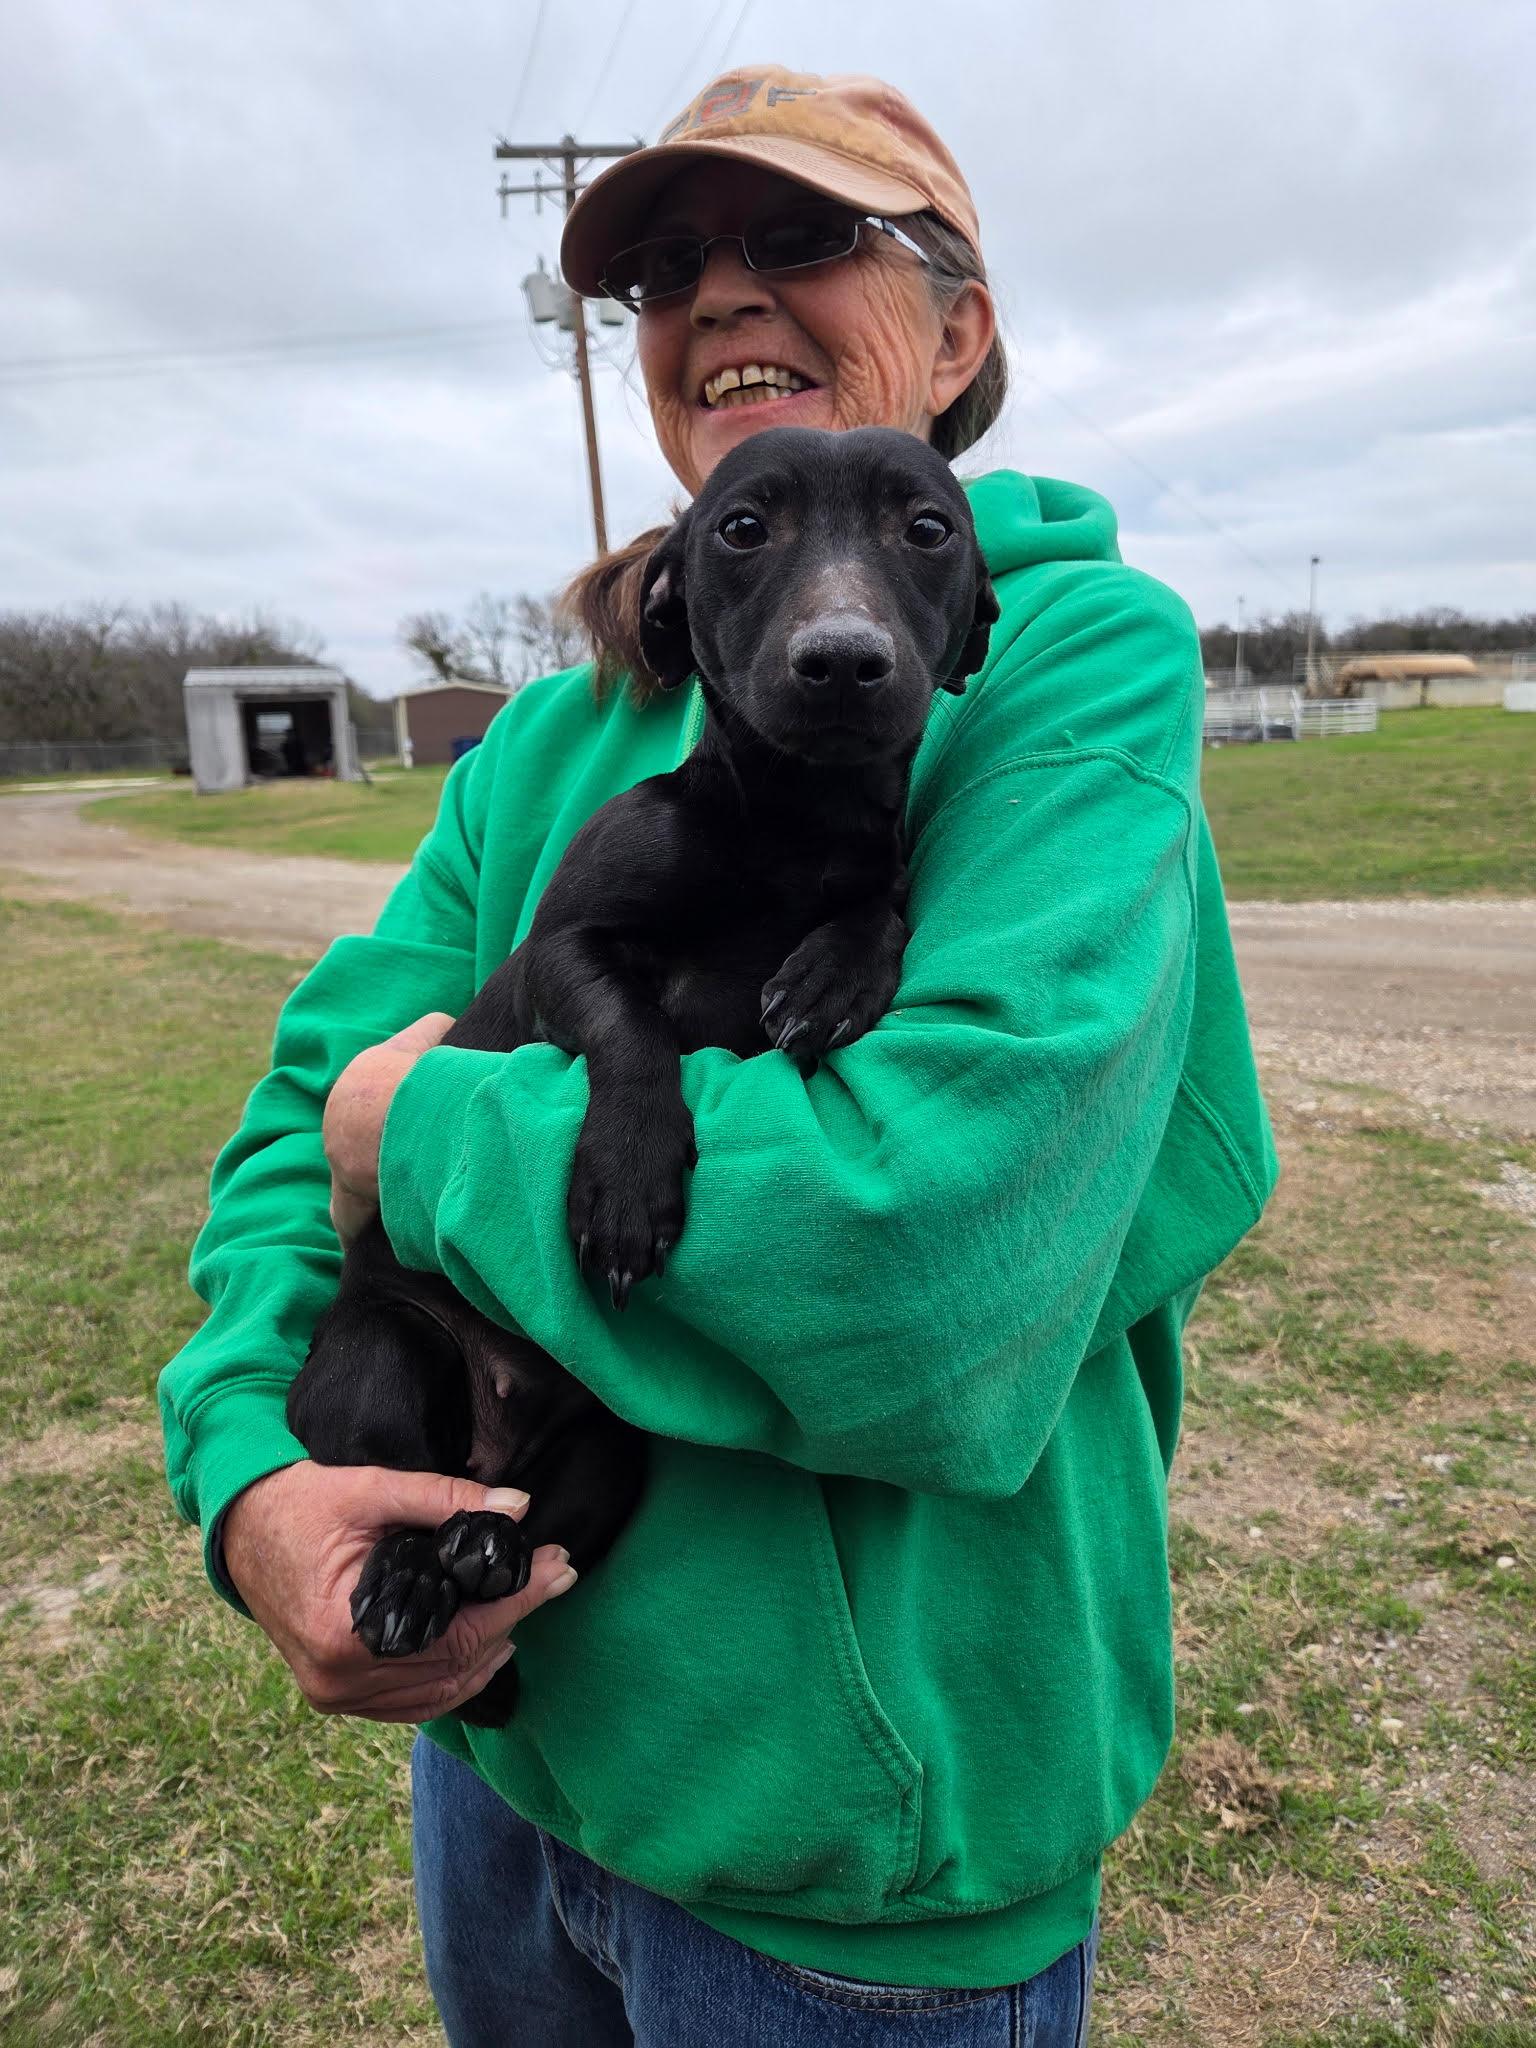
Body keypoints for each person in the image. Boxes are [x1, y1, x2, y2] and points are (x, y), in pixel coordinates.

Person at [159, 67, 1275, 2047]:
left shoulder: (1067, 663)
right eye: (667, 267)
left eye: (805, 237)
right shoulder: (543, 742)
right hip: (510, 1778)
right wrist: (252, 1487)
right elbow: (285, 1118)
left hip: (851, 1883)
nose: (721, 297)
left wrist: (410, 1125)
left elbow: (925, 1258)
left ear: (959, 327)